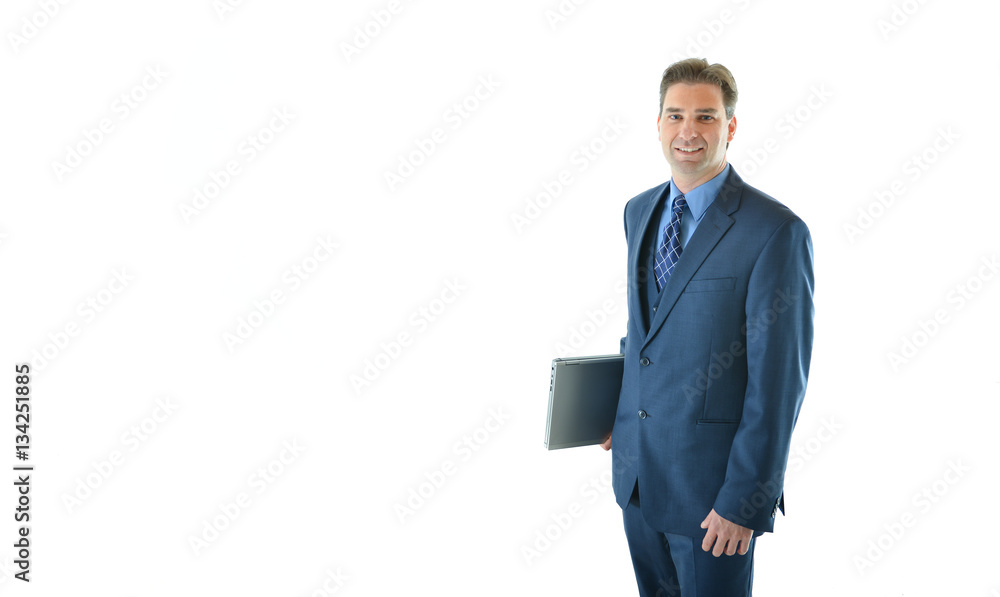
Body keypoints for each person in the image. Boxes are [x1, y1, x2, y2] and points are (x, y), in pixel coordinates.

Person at [600, 58, 814, 596]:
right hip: (639, 479)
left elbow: (779, 382)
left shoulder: (775, 231)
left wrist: (745, 498)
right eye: (674, 116)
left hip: (714, 498)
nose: (688, 131)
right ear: (658, 125)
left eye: (705, 117)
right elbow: (645, 332)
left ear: (730, 127)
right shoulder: (638, 211)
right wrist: (611, 410)